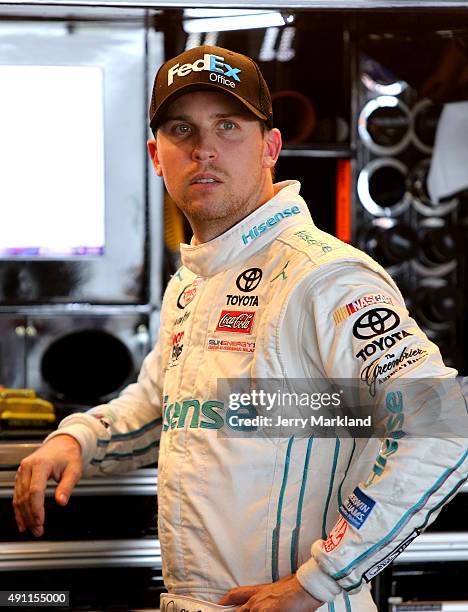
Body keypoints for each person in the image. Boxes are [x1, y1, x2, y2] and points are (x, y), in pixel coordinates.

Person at [13, 45, 468, 612]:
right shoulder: (195, 279)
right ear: (158, 156)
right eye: (183, 130)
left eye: (228, 126)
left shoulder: (322, 276)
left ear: (270, 148)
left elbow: (444, 429)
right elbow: (165, 405)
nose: (204, 149)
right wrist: (77, 436)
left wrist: (319, 581)